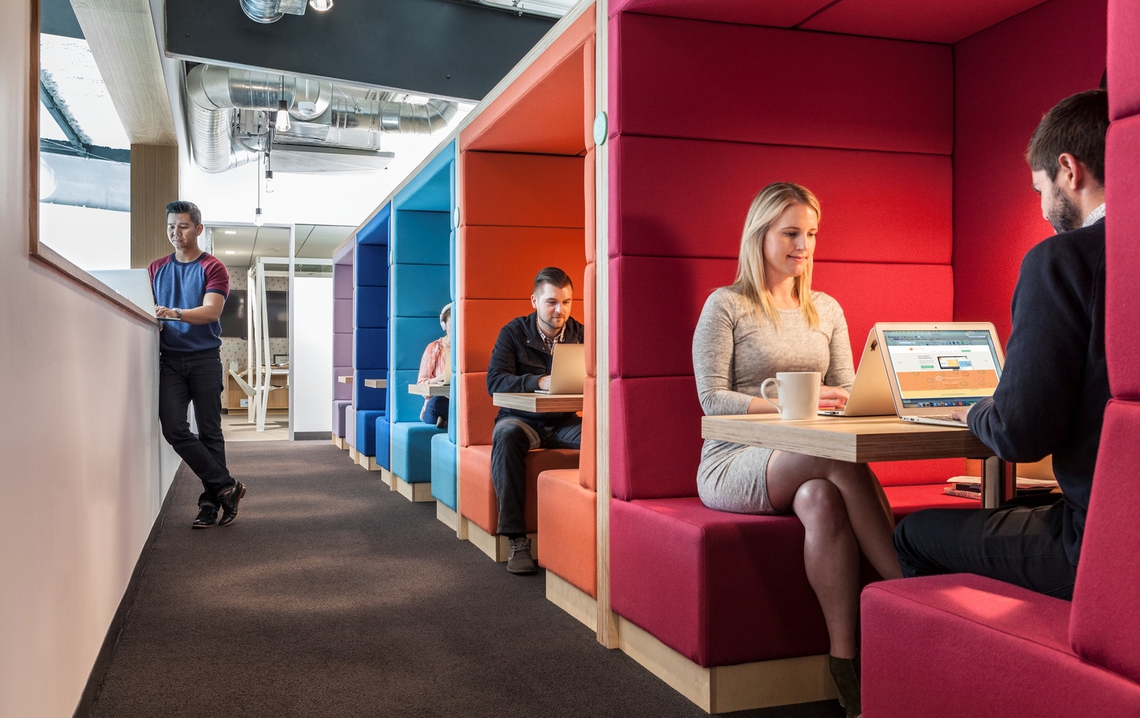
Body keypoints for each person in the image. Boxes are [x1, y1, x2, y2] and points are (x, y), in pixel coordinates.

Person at [692, 182, 901, 718]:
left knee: (821, 500)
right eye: (790, 233)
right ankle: (911, 592)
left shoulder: (826, 309)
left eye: (811, 234)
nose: (803, 245)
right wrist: (791, 403)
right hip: (734, 459)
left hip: (806, 457)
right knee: (835, 456)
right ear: (759, 235)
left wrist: (847, 399)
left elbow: (849, 387)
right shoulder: (726, 305)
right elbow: (711, 398)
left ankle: (843, 661)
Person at [893, 89, 1110, 601]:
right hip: (1117, 522)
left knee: (912, 533)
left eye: (1040, 190)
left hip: (1097, 545)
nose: (1044, 210)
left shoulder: (1060, 261)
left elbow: (1019, 434)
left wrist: (975, 410)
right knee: (1011, 512)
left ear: (1068, 170)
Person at [150, 200, 247, 529]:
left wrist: (174, 313)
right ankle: (226, 487)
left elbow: (211, 311)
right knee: (173, 428)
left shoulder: (213, 267)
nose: (175, 233)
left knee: (209, 431)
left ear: (198, 228)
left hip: (204, 358)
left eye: (183, 226)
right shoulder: (156, 269)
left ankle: (209, 504)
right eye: (171, 227)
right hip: (170, 360)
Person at [486, 267, 584, 575]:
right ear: (534, 301)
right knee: (506, 436)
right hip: (521, 421)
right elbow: (495, 381)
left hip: (564, 422)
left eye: (566, 302)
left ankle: (596, 530)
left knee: (607, 439)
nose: (560, 310)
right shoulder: (513, 333)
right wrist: (538, 381)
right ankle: (517, 540)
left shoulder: (582, 334)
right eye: (551, 302)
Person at [418, 302, 452, 429]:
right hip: (438, 403)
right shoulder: (434, 348)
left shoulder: (467, 349)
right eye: (451, 325)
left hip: (460, 401)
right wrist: (442, 377)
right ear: (444, 326)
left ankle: (446, 420)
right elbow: (421, 384)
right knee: (436, 402)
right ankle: (447, 419)